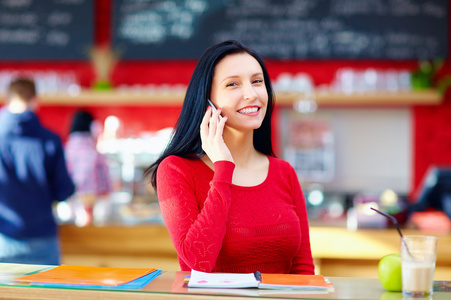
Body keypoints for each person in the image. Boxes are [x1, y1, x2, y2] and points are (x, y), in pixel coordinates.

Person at [146, 40, 314, 274]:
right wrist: (224, 168)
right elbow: (198, 262)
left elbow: (303, 269)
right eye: (233, 84)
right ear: (207, 101)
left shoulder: (284, 172)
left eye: (257, 81)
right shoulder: (175, 170)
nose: (251, 94)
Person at [0, 77, 75, 265]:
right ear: (35, 100)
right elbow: (63, 191)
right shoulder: (50, 140)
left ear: (7, 99)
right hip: (43, 237)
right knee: (47, 294)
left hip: (4, 235)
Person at [65, 110, 111, 226]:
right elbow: (105, 179)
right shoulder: (93, 150)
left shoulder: (66, 149)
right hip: (91, 201)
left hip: (70, 201)